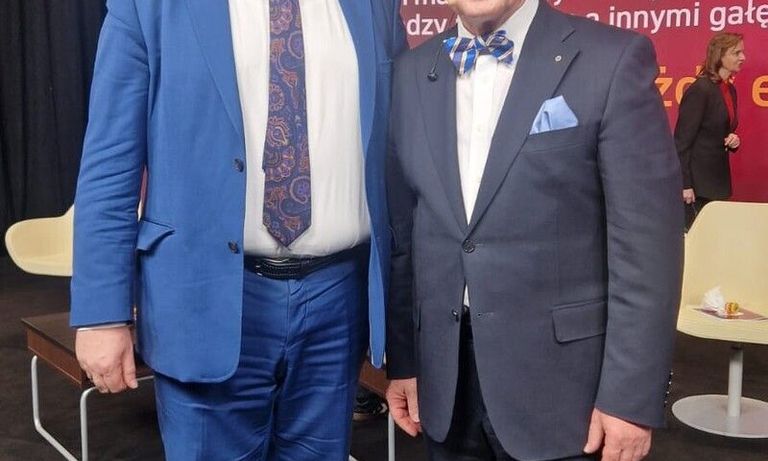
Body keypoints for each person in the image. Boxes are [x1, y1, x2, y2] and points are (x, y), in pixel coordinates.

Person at [70, 1, 404, 459]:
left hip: (337, 300)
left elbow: (401, 151)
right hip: (205, 296)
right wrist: (101, 315)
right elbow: (110, 163)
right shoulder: (151, 7)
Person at [385, 1, 683, 460]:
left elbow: (647, 251)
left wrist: (630, 399)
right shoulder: (409, 72)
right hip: (445, 384)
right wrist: (404, 361)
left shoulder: (611, 59)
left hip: (569, 398)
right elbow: (406, 232)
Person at [675, 32, 745, 230]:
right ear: (720, 55)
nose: (743, 58)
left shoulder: (729, 90)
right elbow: (681, 141)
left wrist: (733, 140)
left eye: (743, 52)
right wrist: (684, 184)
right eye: (737, 53)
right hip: (697, 188)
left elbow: (720, 130)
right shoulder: (700, 89)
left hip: (718, 182)